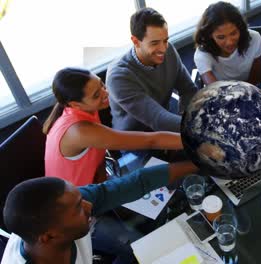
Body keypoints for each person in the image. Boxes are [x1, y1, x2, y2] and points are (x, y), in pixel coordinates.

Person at [1, 161, 198, 264]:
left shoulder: (67, 208)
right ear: (50, 236)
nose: (88, 206)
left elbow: (134, 183)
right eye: (79, 208)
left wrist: (200, 165)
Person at [43, 67, 184, 187]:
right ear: (75, 104)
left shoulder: (76, 109)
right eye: (97, 95)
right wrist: (194, 140)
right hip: (77, 199)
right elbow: (151, 141)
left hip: (96, 178)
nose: (106, 93)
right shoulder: (80, 131)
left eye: (101, 84)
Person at [106, 7, 198, 133]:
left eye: (165, 41)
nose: (163, 49)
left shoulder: (168, 50)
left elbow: (188, 90)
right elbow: (158, 119)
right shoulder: (118, 76)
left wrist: (186, 117)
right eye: (154, 43)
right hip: (137, 143)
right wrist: (196, 128)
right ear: (135, 41)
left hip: (167, 128)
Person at [194, 1, 261, 86]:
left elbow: (256, 78)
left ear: (240, 28)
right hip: (222, 93)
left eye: (233, 33)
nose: (229, 43)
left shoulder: (254, 38)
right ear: (210, 35)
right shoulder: (202, 55)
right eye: (221, 37)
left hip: (249, 88)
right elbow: (216, 90)